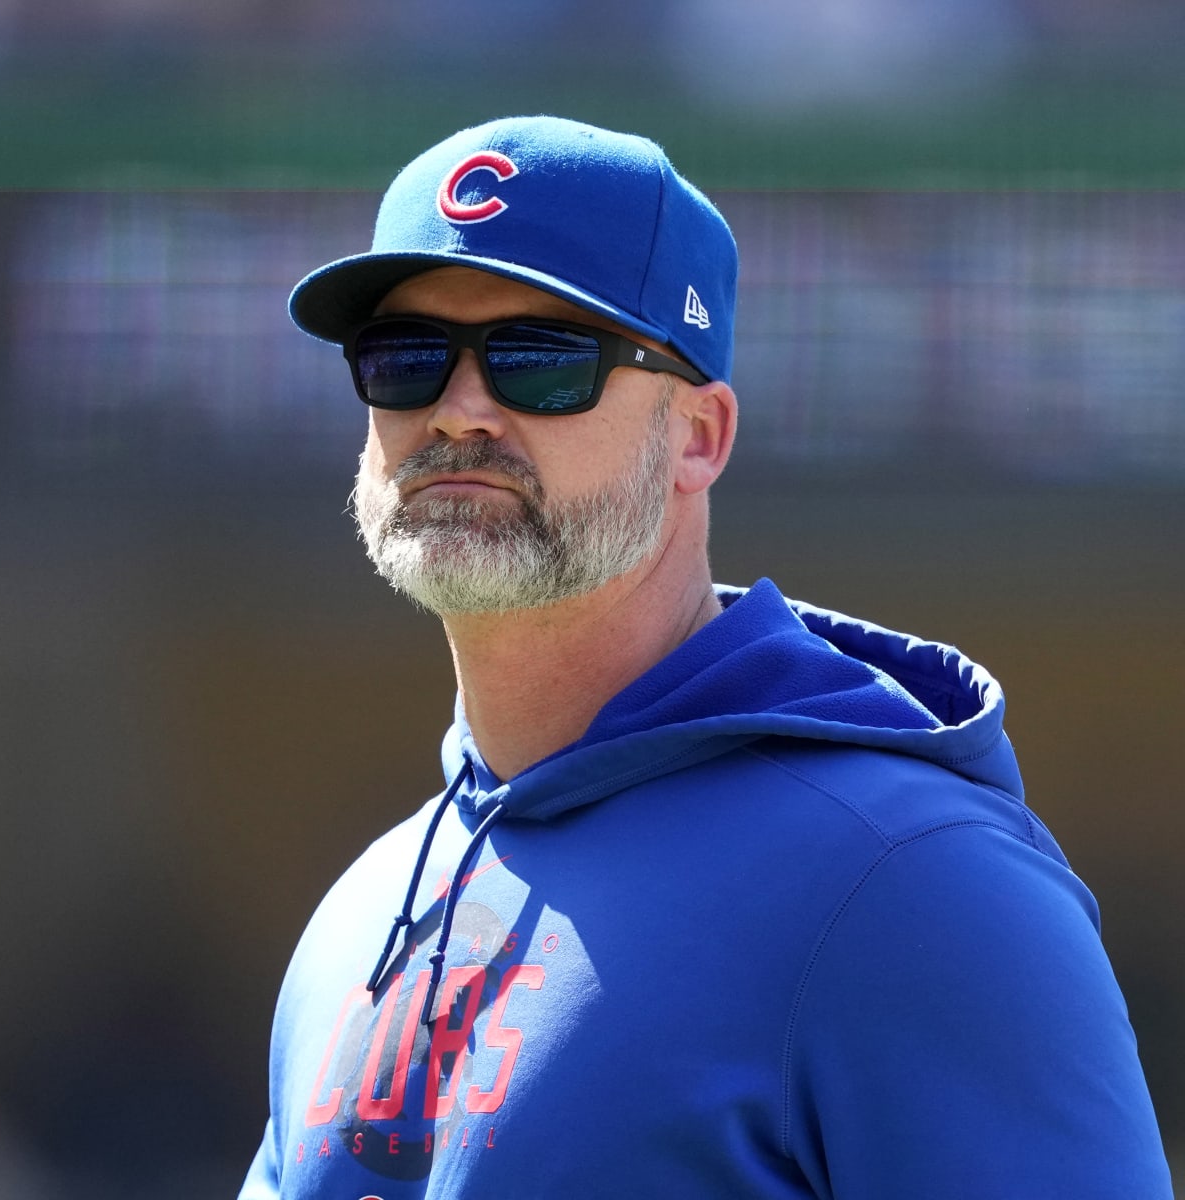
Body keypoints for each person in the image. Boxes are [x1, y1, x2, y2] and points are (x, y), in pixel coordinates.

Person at [239, 115, 1172, 1199]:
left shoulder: (913, 880)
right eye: (405, 360)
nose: (459, 410)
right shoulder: (361, 913)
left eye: (541, 359)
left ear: (700, 437)